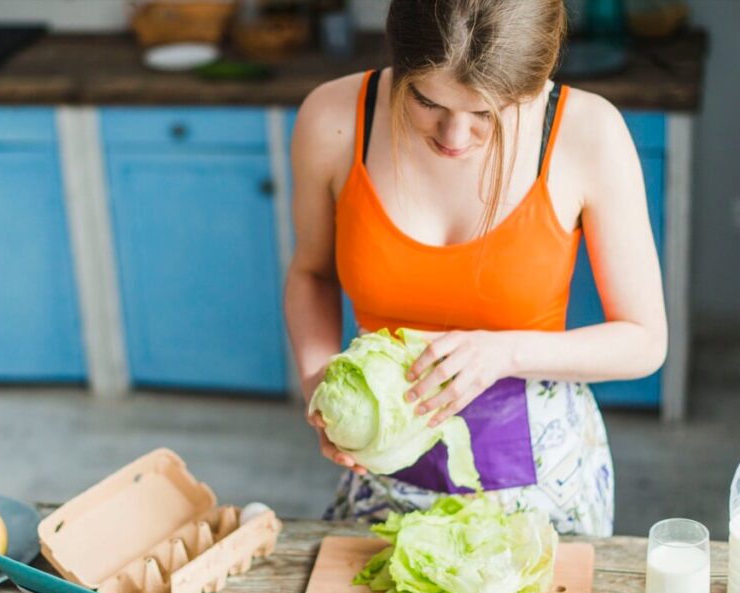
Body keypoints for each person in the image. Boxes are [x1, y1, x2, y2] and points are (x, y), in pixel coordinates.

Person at [284, 0, 667, 536]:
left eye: (487, 114)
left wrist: (503, 351)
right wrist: (316, 381)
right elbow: (312, 274)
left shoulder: (589, 133)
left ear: (536, 82)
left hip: (544, 477)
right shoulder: (332, 118)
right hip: (384, 466)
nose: (454, 137)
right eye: (424, 100)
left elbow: (645, 341)